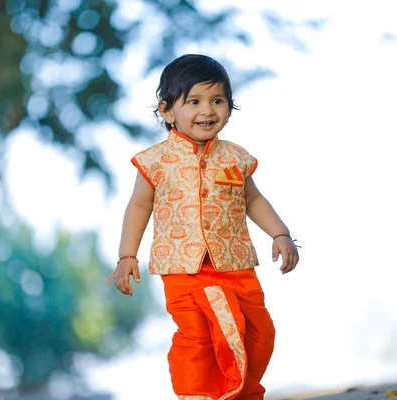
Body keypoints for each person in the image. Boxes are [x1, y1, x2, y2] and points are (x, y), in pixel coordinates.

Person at [111, 54, 300, 400]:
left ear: (230, 107)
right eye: (194, 101)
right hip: (183, 269)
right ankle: (195, 394)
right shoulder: (155, 162)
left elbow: (253, 200)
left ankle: (242, 392)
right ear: (167, 111)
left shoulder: (236, 157)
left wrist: (281, 234)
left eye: (218, 101)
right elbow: (139, 206)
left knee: (259, 332)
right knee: (197, 336)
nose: (208, 110)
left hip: (236, 265)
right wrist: (127, 256)